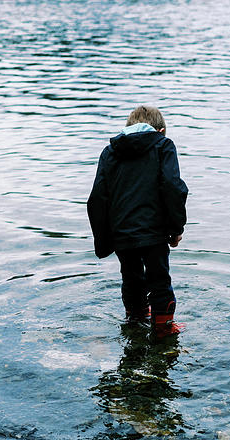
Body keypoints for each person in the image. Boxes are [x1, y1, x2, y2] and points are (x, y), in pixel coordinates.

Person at [87, 105, 188, 338]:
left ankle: (135, 321)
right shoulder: (163, 145)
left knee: (131, 278)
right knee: (159, 279)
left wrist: (104, 241)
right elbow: (173, 187)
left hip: (122, 232)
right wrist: (176, 229)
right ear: (161, 130)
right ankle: (163, 329)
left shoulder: (110, 152)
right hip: (154, 231)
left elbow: (97, 198)